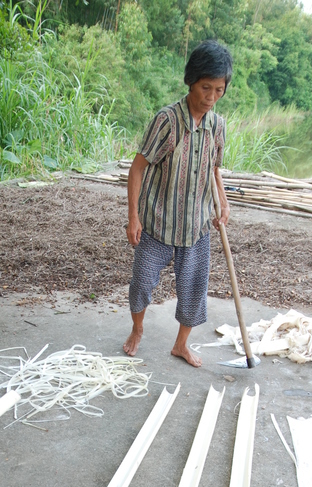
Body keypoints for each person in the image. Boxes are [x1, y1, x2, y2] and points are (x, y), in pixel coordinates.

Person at [123, 40, 232, 367]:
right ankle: (137, 329)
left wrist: (223, 203)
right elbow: (138, 168)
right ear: (190, 82)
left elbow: (214, 168)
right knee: (142, 282)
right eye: (205, 87)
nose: (211, 97)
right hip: (157, 221)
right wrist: (133, 216)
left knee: (194, 289)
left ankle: (181, 344)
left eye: (219, 89)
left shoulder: (217, 125)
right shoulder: (168, 120)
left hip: (196, 225)